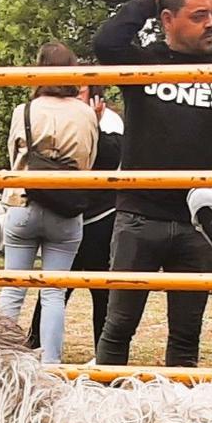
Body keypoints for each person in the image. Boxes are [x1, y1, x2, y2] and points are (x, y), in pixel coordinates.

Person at [92, 0, 212, 367]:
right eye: (198, 15)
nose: (211, 23)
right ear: (168, 19)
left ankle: (179, 415)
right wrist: (150, 0)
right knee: (118, 326)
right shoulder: (143, 62)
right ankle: (104, 410)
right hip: (138, 215)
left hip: (197, 221)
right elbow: (106, 42)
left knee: (186, 334)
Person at [0, 42, 98, 365]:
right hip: (67, 210)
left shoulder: (24, 111)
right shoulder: (85, 113)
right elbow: (90, 159)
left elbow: (15, 158)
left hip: (24, 204)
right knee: (53, 293)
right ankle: (51, 364)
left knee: (13, 289)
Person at [29, 86, 124, 356]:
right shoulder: (61, 117)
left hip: (100, 217)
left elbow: (107, 162)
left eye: (79, 92)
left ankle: (104, 354)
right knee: (53, 288)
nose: (71, 98)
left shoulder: (110, 122)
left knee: (102, 289)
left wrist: (91, 123)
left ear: (96, 97)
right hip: (67, 213)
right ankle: (34, 345)